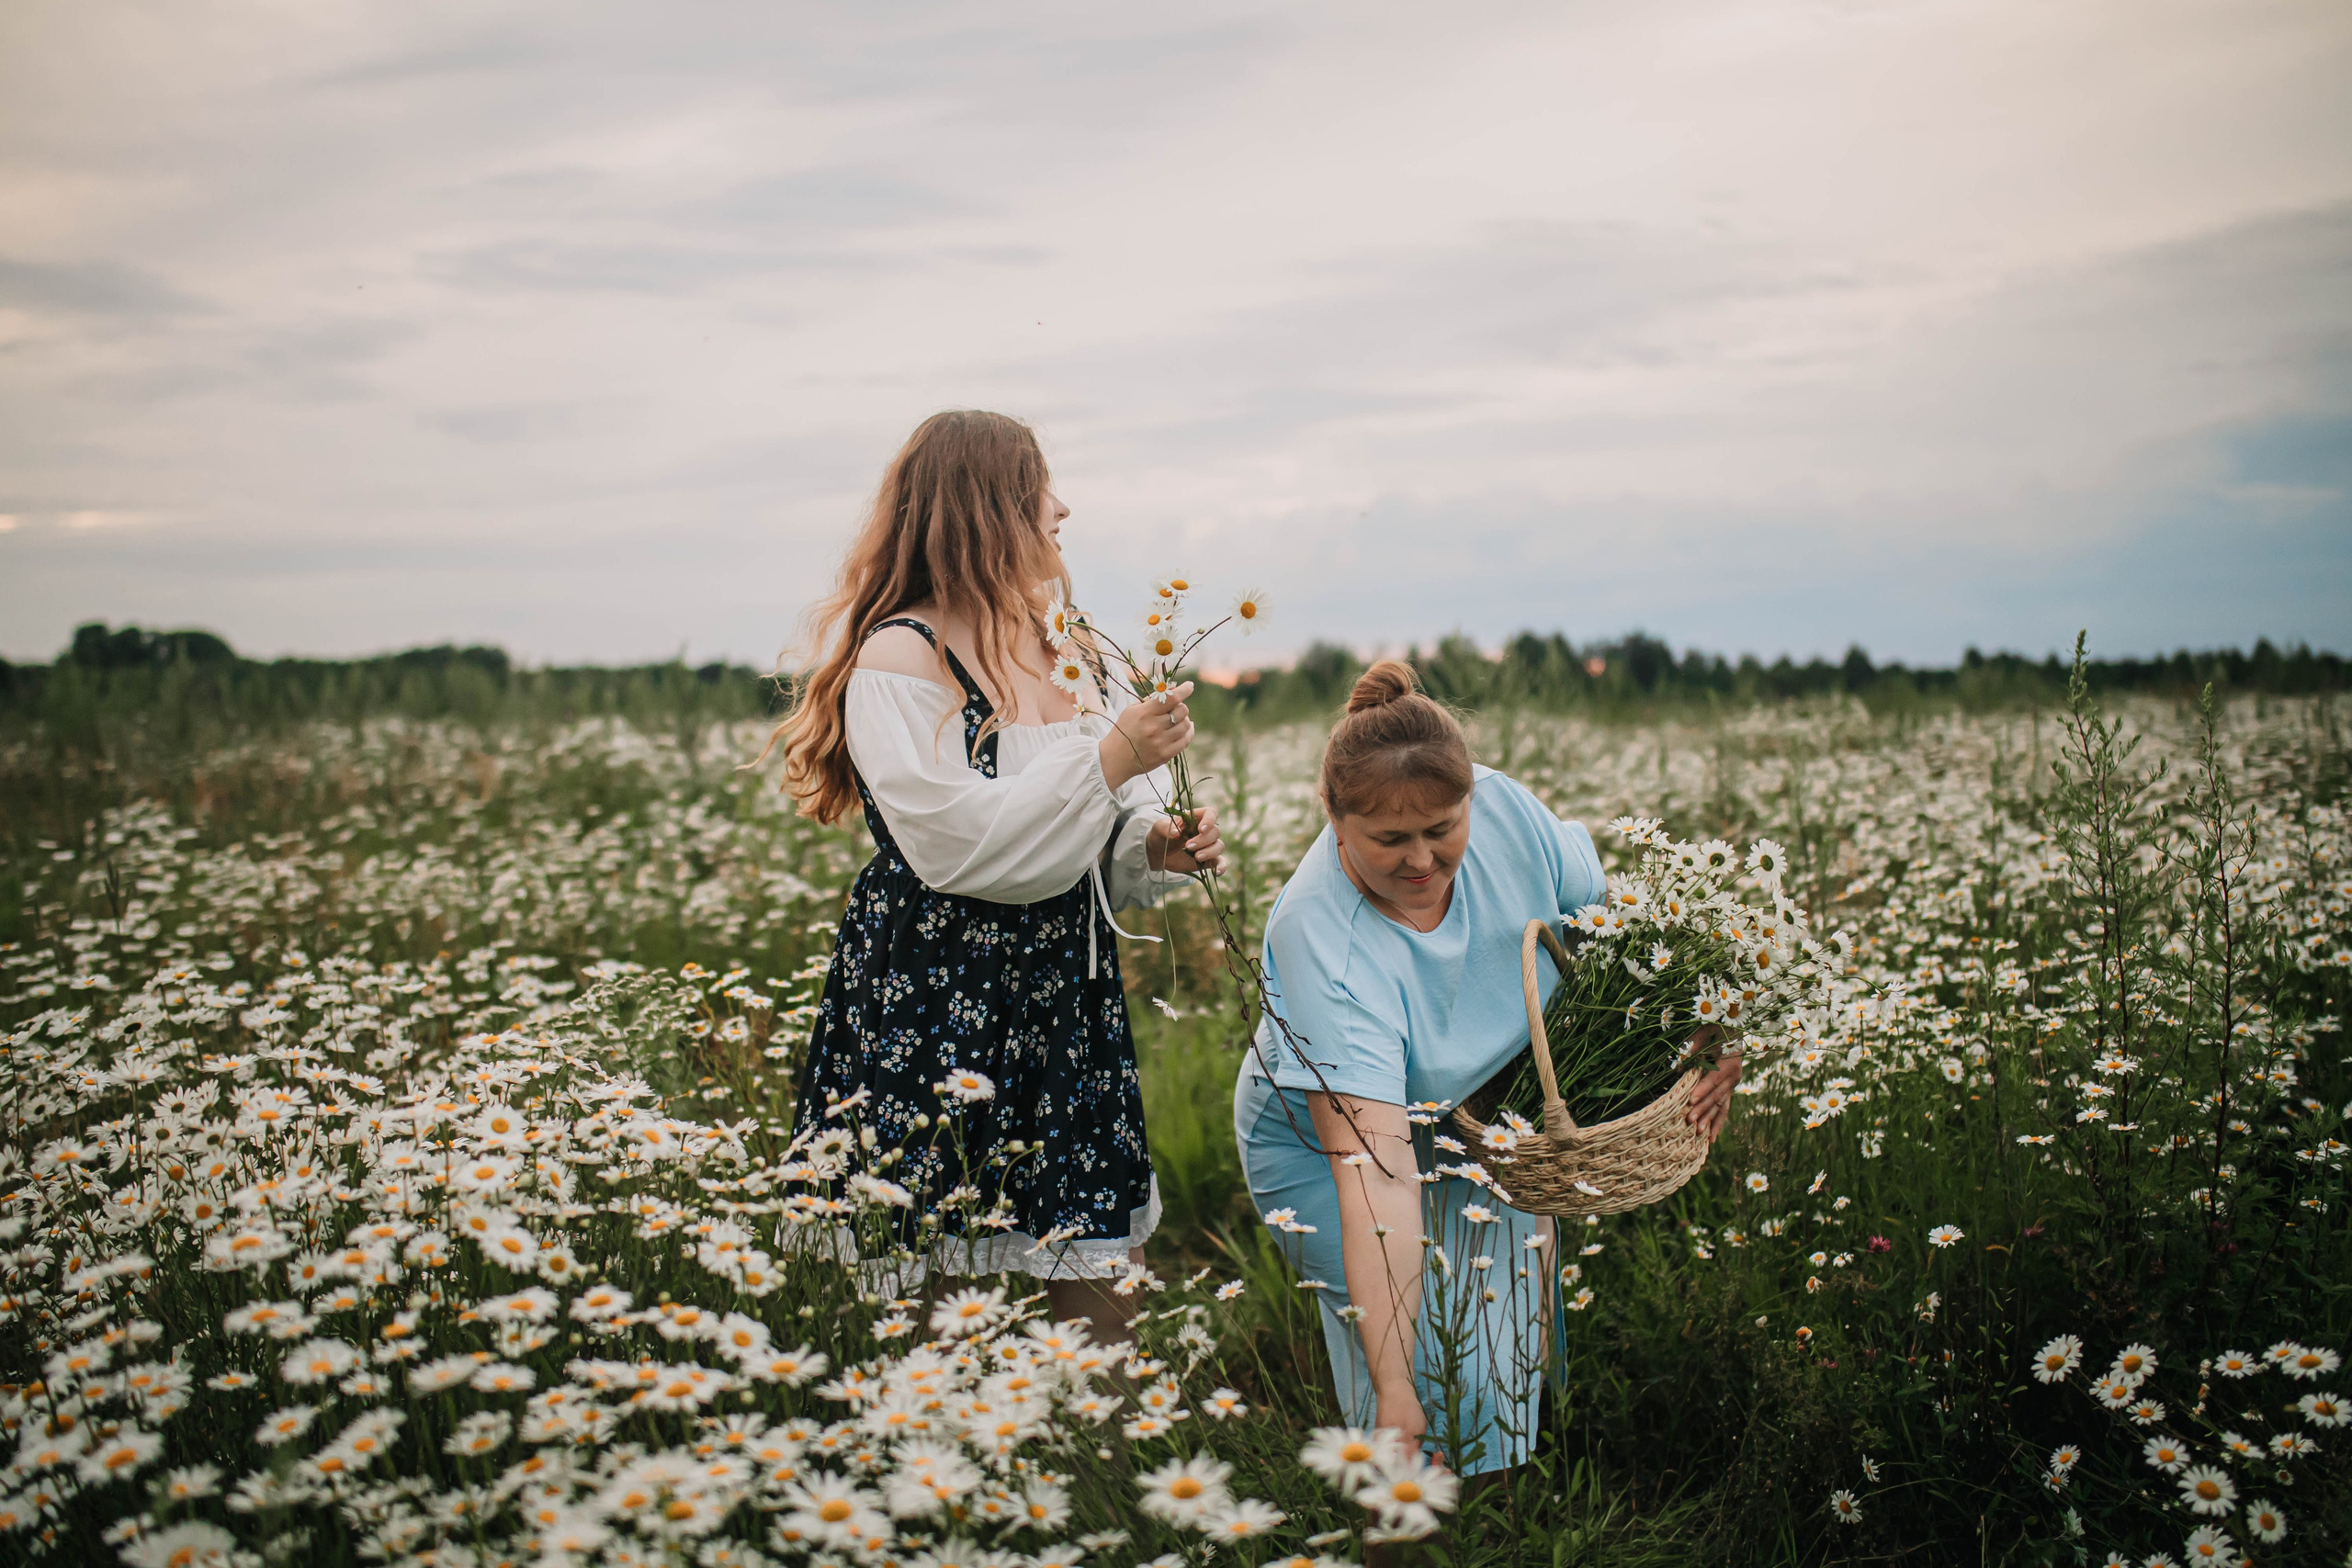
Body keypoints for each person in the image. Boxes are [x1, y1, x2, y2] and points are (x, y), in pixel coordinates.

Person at [768, 409, 1225, 1341]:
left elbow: (1078, 834)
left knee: (1096, 1272)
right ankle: (946, 1473)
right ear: (983, 510)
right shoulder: (901, 658)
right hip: (939, 995)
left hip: (1062, 995)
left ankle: (1103, 1468)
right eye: (1036, 487)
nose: (1060, 507)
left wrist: (1151, 847)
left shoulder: (1068, 648)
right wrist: (1110, 756)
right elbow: (964, 850)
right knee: (943, 1282)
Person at [1234, 660, 1742, 1476]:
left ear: (1472, 796)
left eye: (1443, 826)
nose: (1422, 860)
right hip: (1330, 1152)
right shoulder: (1319, 936)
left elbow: (1620, 938)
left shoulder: (1508, 812)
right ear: (1332, 817)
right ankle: (1401, 1523)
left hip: (1477, 1114)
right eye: (1390, 839)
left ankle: (1503, 1520)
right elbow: (1378, 1175)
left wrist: (1718, 1028)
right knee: (1423, 1379)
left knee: (1499, 1356)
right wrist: (1397, 1382)